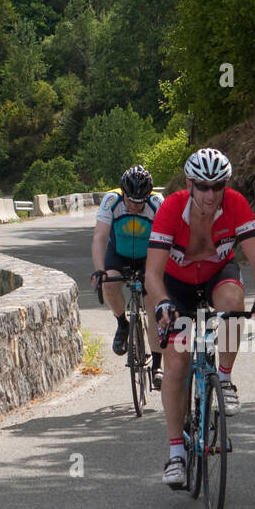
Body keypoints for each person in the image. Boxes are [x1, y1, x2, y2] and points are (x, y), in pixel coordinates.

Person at [146, 148, 255, 487]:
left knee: (234, 301)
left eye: (218, 186)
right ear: (189, 184)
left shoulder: (235, 204)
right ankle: (176, 453)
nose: (211, 194)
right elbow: (153, 274)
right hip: (178, 284)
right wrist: (161, 303)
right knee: (175, 363)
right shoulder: (172, 209)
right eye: (203, 186)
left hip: (217, 274)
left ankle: (225, 378)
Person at [90, 165, 165, 386]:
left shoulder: (157, 203)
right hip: (119, 254)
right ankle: (122, 323)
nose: (134, 205)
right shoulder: (111, 200)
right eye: (130, 201)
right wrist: (99, 270)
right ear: (123, 193)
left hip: (148, 257)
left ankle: (157, 364)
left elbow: (169, 238)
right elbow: (99, 237)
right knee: (109, 284)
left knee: (152, 306)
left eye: (139, 202)